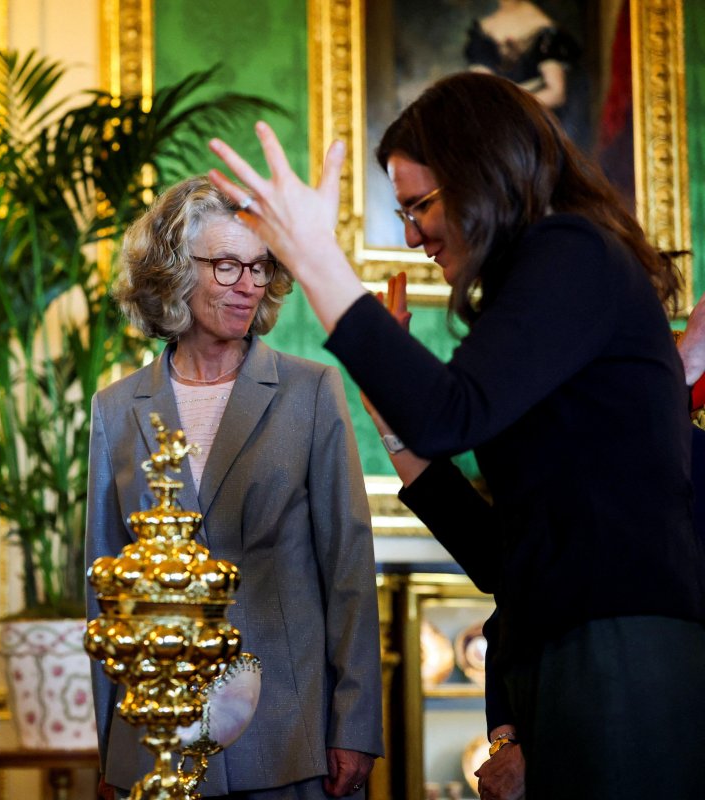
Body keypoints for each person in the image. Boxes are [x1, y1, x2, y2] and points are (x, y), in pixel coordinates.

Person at [207, 71, 705, 799]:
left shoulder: (575, 250)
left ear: (485, 173)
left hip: (619, 650)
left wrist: (319, 259)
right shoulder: (551, 275)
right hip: (567, 653)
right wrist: (392, 417)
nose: (410, 235)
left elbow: (448, 410)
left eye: (420, 206)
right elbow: (501, 557)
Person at [85, 176, 383, 800]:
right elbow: (106, 595)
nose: (249, 284)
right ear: (172, 271)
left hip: (289, 735)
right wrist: (114, 744)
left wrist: (355, 724)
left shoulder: (312, 391)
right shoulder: (116, 408)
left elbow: (348, 568)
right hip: (157, 740)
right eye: (226, 266)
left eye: (259, 265)